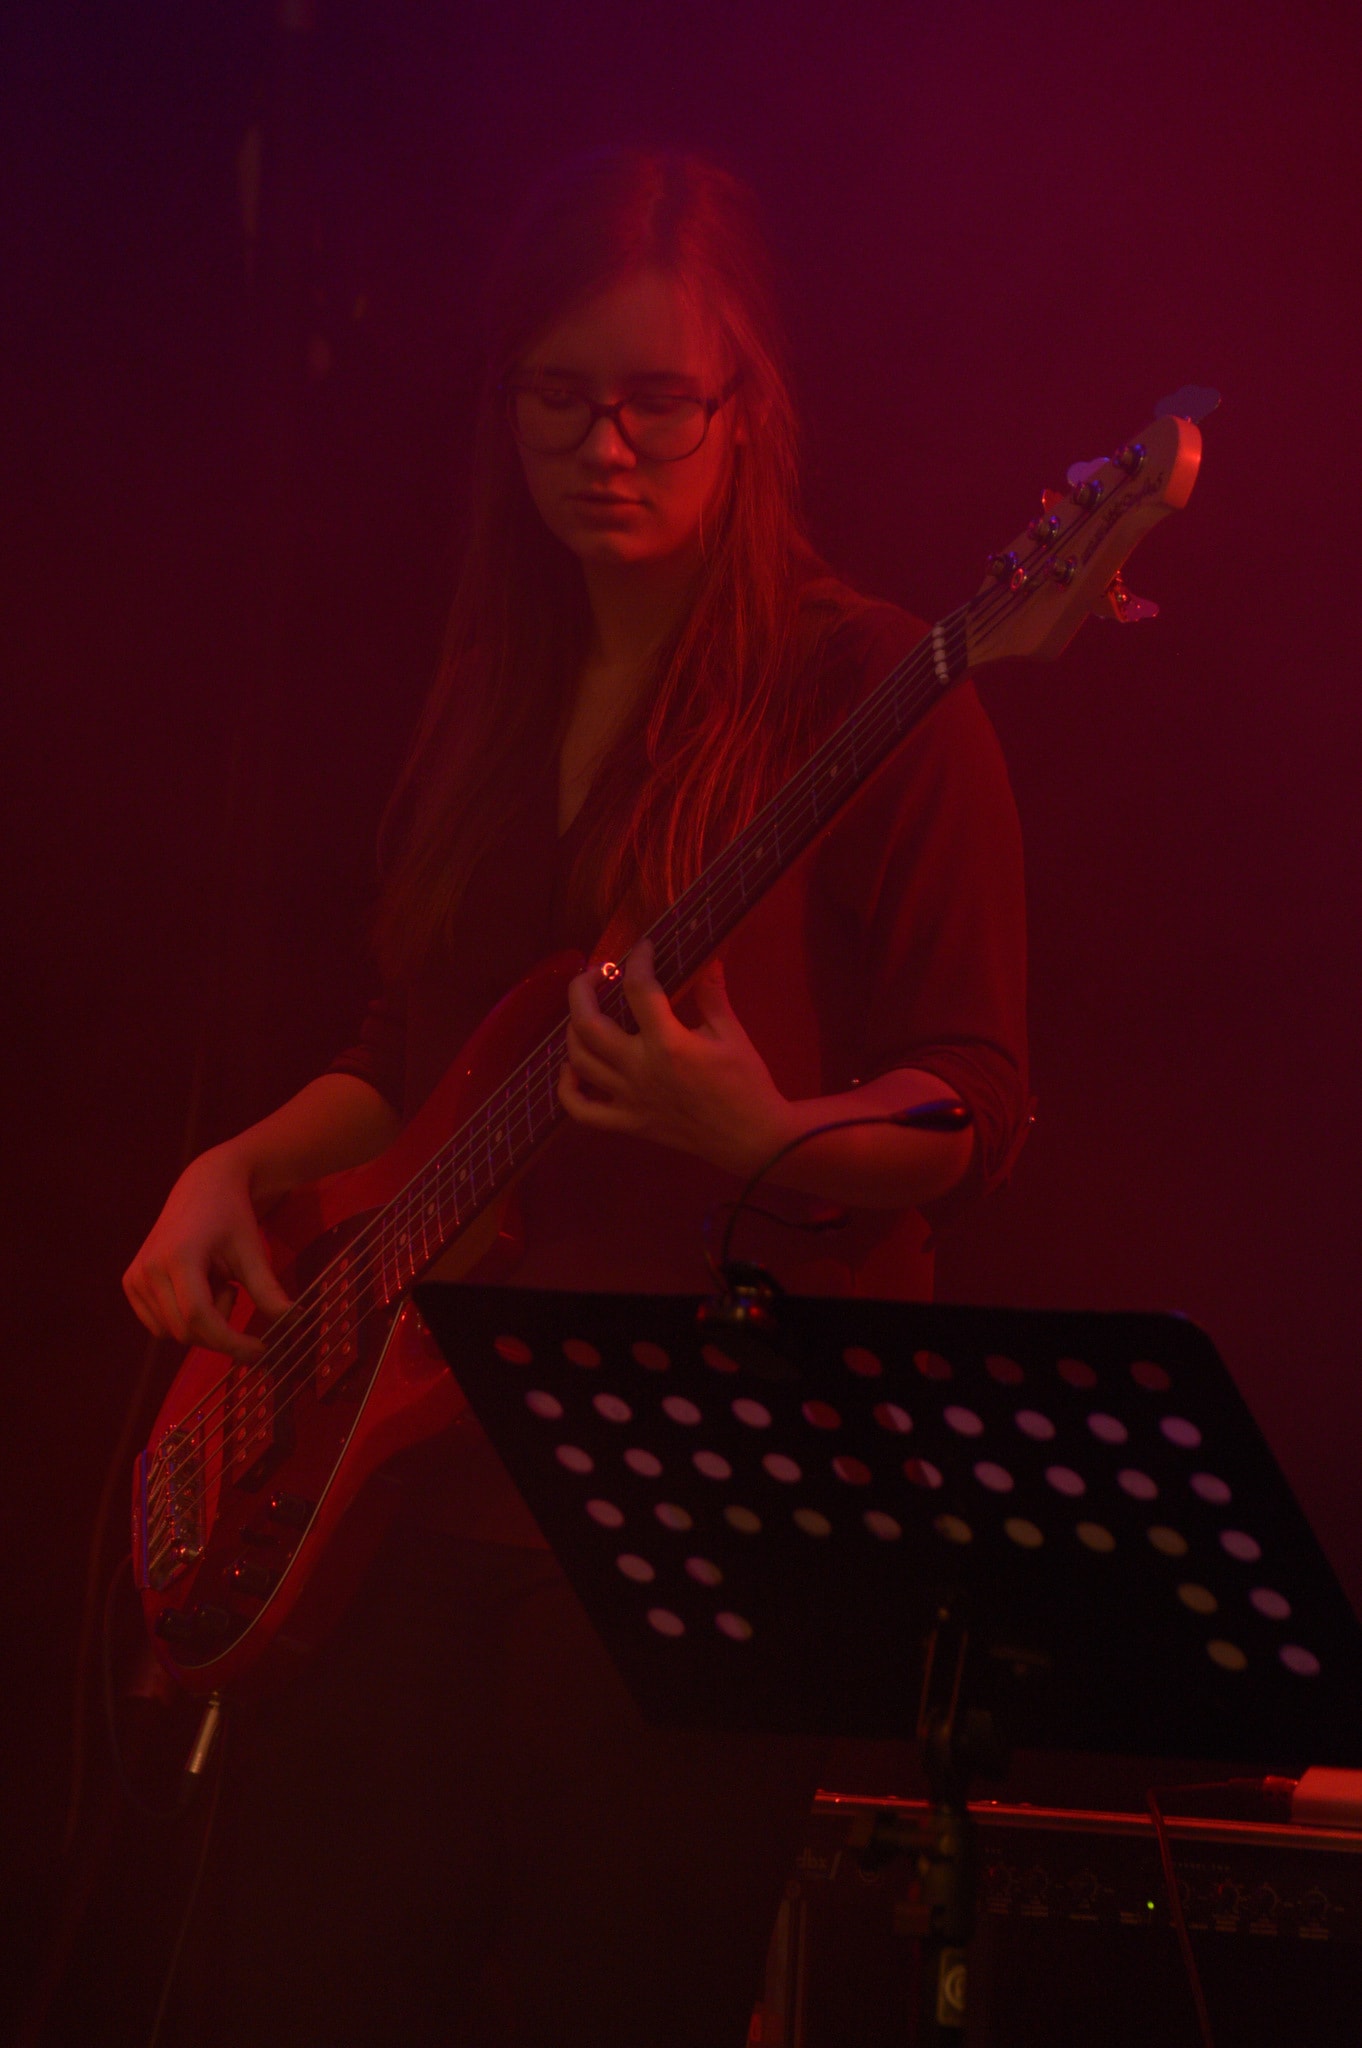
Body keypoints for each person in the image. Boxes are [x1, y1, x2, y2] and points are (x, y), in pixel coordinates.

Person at [123, 150, 1027, 2048]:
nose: (603, 445)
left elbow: (973, 1105)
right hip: (401, 1495)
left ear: (744, 409)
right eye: (558, 395)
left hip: (700, 1516)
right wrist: (235, 1165)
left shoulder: (874, 691)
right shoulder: (488, 688)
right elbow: (408, 1057)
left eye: (655, 400)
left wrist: (756, 1138)